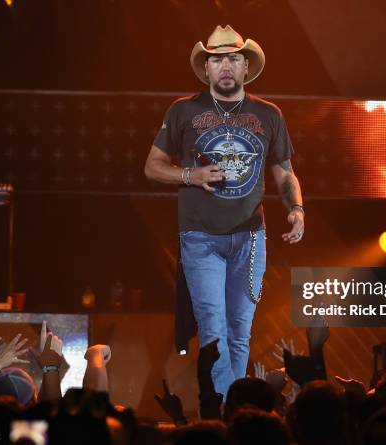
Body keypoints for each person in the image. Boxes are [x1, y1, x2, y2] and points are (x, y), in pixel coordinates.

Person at [144, 25, 304, 397]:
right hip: (200, 238)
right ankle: (229, 412)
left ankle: (229, 412)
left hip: (250, 238)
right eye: (217, 60)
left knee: (240, 330)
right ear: (207, 69)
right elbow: (152, 166)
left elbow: (285, 173)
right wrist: (190, 174)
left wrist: (296, 208)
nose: (226, 66)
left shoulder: (269, 114)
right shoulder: (183, 109)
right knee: (213, 329)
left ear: (246, 66)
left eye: (233, 58)